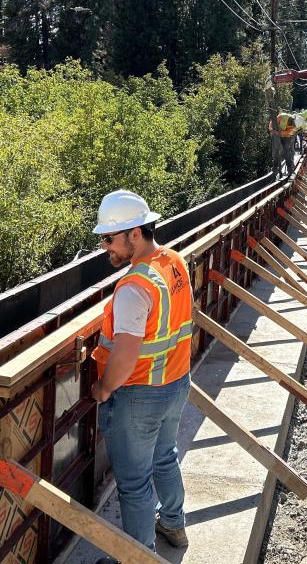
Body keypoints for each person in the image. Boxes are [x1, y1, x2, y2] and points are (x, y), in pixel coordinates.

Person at [90, 190, 193, 554]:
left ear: (135, 233)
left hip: (139, 395)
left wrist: (103, 388)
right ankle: (174, 524)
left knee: (133, 485)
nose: (105, 248)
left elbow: (126, 354)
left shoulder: (133, 288)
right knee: (165, 455)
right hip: (177, 383)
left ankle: (139, 557)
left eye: (109, 239)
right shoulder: (174, 262)